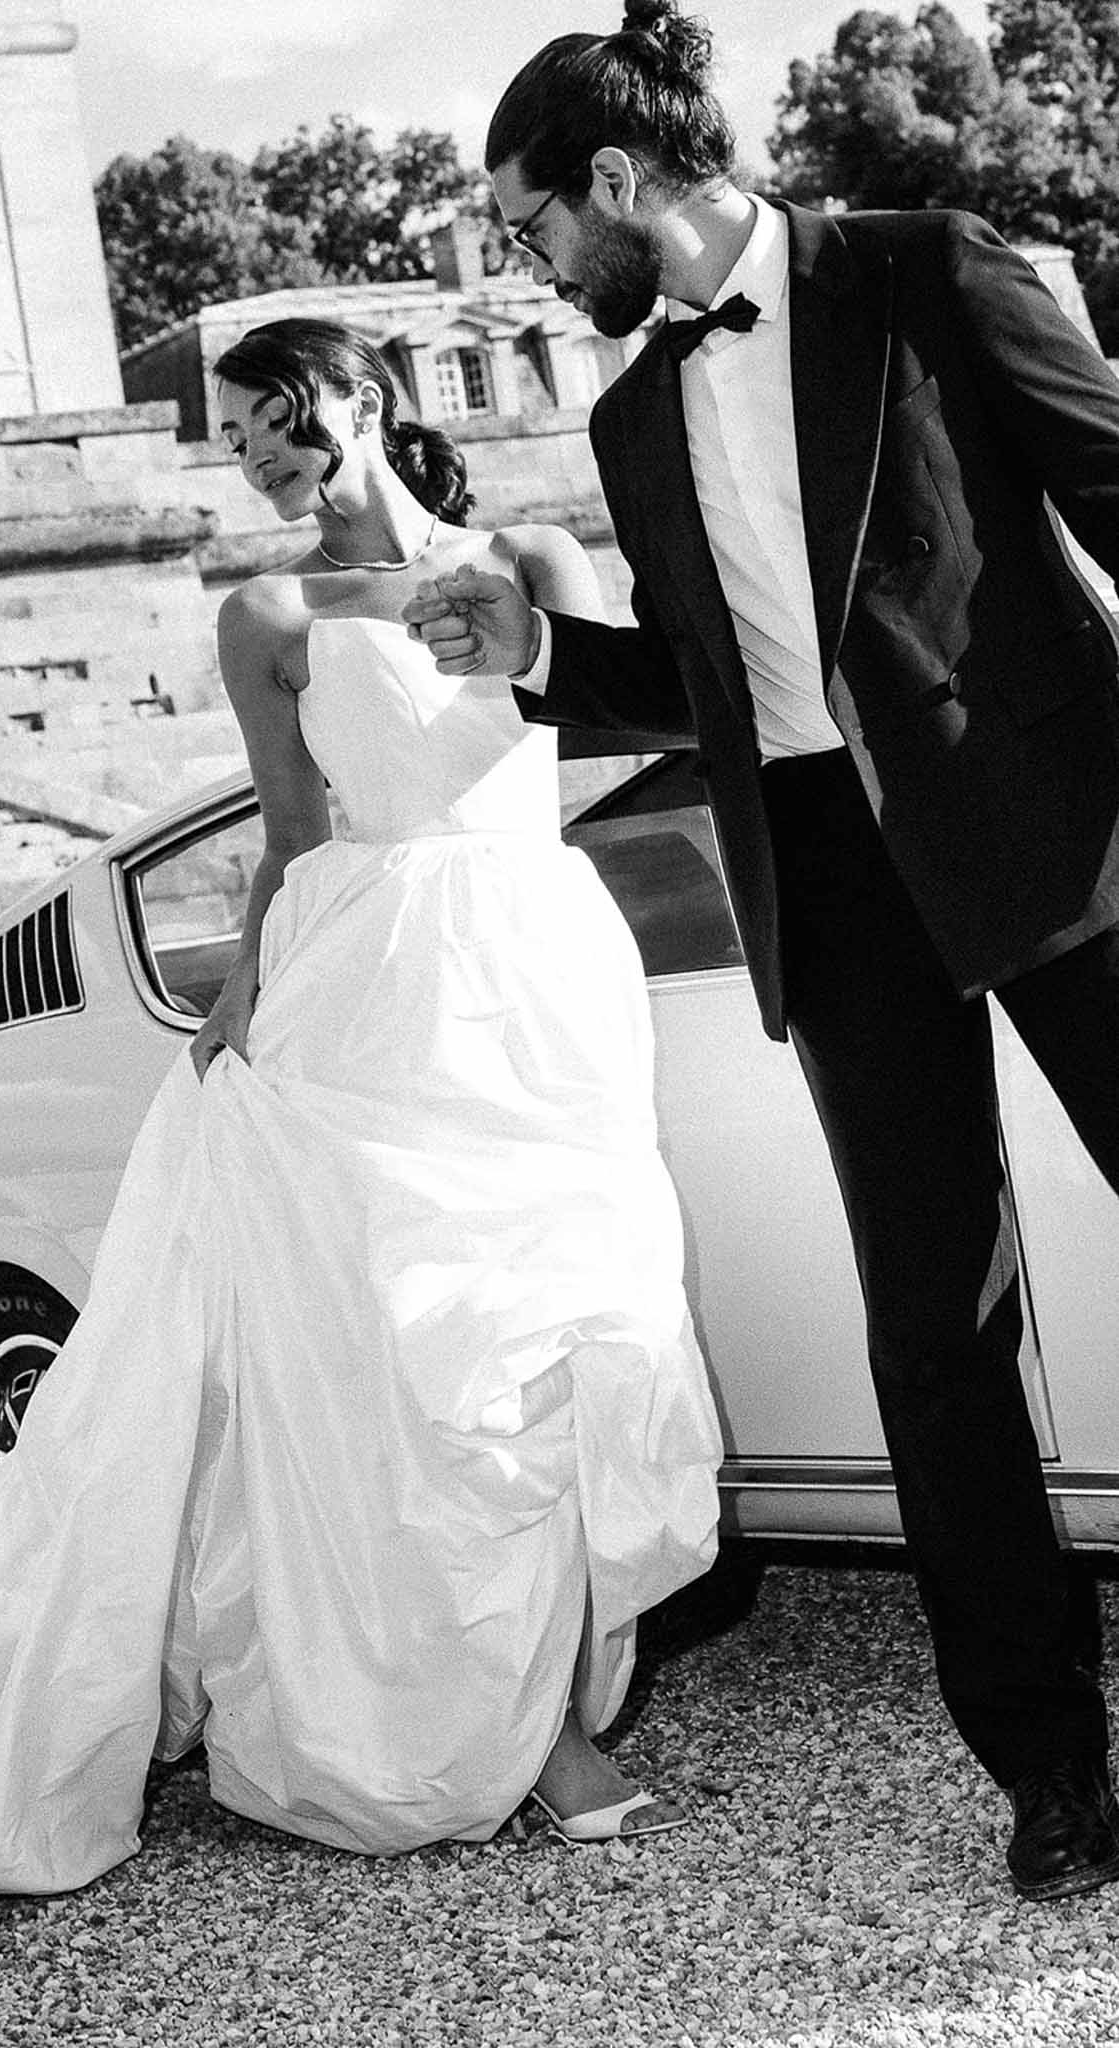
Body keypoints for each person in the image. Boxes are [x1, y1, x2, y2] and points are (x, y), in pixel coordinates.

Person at [0, 317, 722, 1914]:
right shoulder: (268, 613)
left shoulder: (536, 553)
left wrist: (526, 640)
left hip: (542, 981)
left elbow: (642, 722)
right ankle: (502, 1730)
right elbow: (291, 836)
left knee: (569, 1324)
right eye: (243, 440)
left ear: (371, 401)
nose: (271, 457)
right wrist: (239, 1000)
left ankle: (544, 1701)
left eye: (288, 417)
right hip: (366, 997)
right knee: (412, 1359)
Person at [403, 0, 1119, 1904]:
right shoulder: (634, 413)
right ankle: (1050, 1771)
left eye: (535, 226)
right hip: (828, 883)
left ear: (620, 182)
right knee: (939, 1335)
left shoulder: (924, 270)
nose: (535, 272)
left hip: (1062, 843)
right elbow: (707, 690)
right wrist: (541, 659)